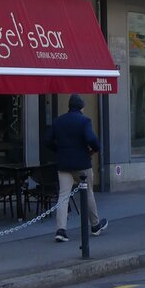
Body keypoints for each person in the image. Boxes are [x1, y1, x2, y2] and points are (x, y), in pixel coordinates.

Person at [45, 94, 108, 243]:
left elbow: (47, 140)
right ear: (81, 107)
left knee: (63, 196)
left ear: (69, 106)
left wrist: (59, 149)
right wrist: (95, 149)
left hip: (64, 164)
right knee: (88, 193)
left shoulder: (58, 121)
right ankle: (95, 225)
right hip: (82, 164)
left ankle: (61, 230)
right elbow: (91, 139)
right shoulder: (84, 121)